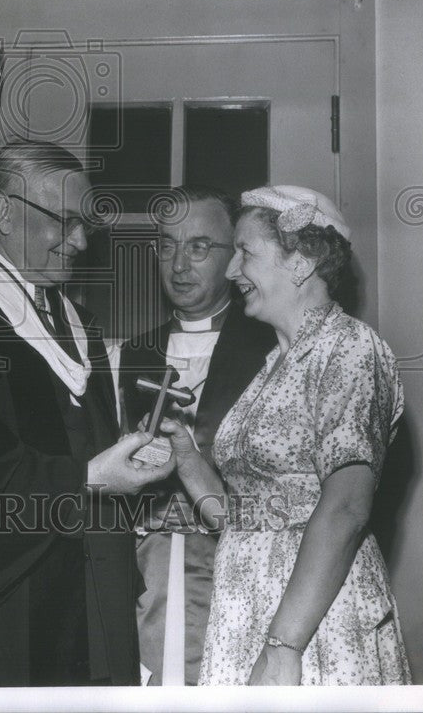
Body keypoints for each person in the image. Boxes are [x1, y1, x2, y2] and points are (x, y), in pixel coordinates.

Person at [0, 140, 175, 686]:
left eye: (85, 225)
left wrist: (130, 458)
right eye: (65, 221)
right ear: (0, 210)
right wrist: (93, 477)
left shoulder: (74, 321)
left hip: (92, 586)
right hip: (3, 592)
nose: (79, 241)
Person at [160, 185, 412, 686]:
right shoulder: (276, 364)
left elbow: (345, 509)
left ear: (300, 263)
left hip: (311, 625)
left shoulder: (349, 349)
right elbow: (245, 520)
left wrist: (282, 646)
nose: (232, 272)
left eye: (246, 253)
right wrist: (187, 458)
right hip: (249, 613)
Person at [113, 186, 274, 685]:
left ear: (234, 259)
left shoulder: (274, 349)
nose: (179, 264)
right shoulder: (126, 356)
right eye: (167, 246)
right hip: (146, 577)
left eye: (199, 247)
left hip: (237, 570)